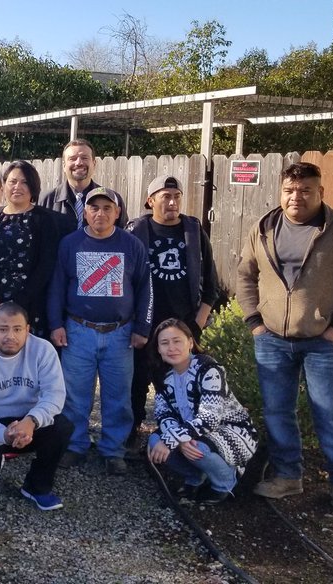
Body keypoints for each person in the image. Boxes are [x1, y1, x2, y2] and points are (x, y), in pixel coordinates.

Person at [236, 162, 333, 510]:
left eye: (305, 190)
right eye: (290, 190)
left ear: (319, 192)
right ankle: (287, 476)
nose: (296, 196)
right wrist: (255, 321)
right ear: (282, 192)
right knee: (278, 412)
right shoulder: (264, 228)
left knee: (330, 412)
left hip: (320, 342)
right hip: (272, 340)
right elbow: (245, 276)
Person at [47, 187, 152, 475]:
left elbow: (145, 289)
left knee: (118, 397)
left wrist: (142, 326)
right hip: (78, 330)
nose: (101, 213)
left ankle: (113, 450)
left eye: (107, 208)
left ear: (117, 213)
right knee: (75, 395)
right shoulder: (70, 244)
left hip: (120, 333)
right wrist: (56, 323)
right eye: (94, 208)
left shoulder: (132, 245)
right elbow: (57, 285)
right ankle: (75, 445)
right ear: (86, 213)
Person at [126, 175, 219, 456]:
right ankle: (131, 433)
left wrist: (198, 323)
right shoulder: (137, 232)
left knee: (180, 383)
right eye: (165, 196)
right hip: (146, 323)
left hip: (184, 324)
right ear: (150, 200)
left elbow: (212, 283)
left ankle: (180, 436)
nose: (172, 202)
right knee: (137, 380)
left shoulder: (193, 231)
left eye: (176, 196)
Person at [0, 302, 74, 511]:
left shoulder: (44, 351)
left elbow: (54, 395)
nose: (10, 336)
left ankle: (36, 486)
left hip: (30, 420)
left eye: (17, 329)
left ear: (28, 330)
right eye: (3, 329)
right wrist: (4, 435)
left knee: (63, 427)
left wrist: (32, 421)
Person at [148, 319, 258, 504]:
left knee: (196, 447)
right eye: (164, 343)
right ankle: (197, 476)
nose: (171, 348)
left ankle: (225, 482)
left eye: (177, 341)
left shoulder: (209, 369)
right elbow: (163, 414)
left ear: (190, 342)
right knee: (153, 441)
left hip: (230, 430)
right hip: (191, 431)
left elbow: (209, 419)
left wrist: (172, 440)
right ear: (158, 349)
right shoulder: (162, 375)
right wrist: (177, 440)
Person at [0, 161, 76, 340]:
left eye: (24, 182)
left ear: (33, 186)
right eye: (13, 181)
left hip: (29, 307)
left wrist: (18, 303)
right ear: (4, 185)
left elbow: (46, 266)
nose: (17, 187)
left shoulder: (44, 220)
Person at [38, 138, 129, 229]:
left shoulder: (113, 200)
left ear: (94, 163)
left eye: (84, 158)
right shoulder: (46, 200)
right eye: (72, 159)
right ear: (64, 165)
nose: (79, 163)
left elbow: (123, 237)